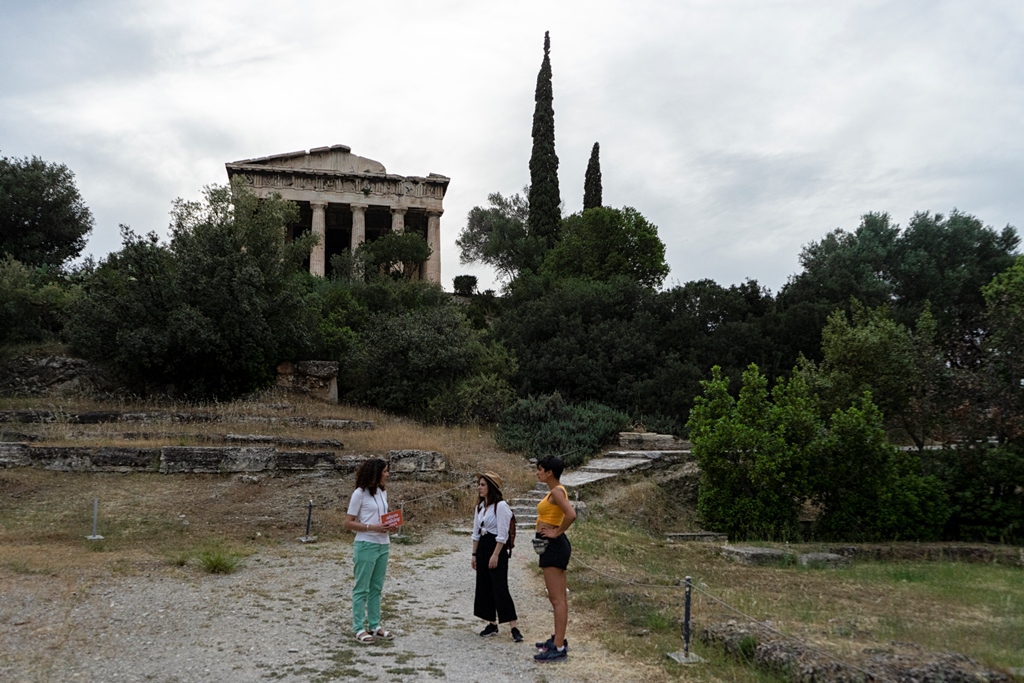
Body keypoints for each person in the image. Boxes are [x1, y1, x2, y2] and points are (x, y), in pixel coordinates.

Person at [344, 458, 399, 643]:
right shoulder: (359, 494)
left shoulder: (383, 492)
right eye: (385, 471)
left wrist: (391, 525)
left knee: (376, 587)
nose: (387, 474)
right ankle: (358, 627)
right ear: (376, 473)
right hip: (366, 544)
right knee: (362, 588)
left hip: (383, 544)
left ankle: (375, 624)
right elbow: (348, 522)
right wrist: (372, 527)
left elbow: (383, 517)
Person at [533, 455, 577, 663]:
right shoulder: (555, 491)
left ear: (550, 472)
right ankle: (557, 639)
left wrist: (556, 533)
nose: (537, 472)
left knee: (557, 599)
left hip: (554, 547)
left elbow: (571, 514)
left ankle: (559, 646)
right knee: (556, 598)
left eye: (540, 469)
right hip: (551, 546)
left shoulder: (557, 492)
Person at [470, 472, 523, 642]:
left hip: (495, 547)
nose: (479, 487)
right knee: (484, 585)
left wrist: (495, 555)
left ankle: (514, 626)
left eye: (483, 484)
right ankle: (492, 623)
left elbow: (502, 534)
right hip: (483, 548)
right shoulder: (479, 508)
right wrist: (474, 554)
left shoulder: (500, 506)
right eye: (479, 484)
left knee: (500, 586)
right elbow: (476, 533)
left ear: (491, 487)